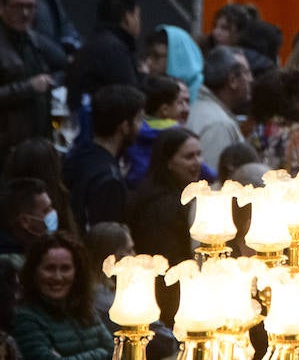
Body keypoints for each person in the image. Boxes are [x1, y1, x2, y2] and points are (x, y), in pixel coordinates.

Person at [127, 127, 201, 325]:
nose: (197, 162)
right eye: (189, 157)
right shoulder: (159, 205)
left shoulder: (175, 195)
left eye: (198, 155)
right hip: (166, 298)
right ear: (168, 162)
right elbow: (168, 260)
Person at [12, 231, 113, 360]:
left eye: (65, 268)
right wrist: (100, 353)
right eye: (50, 268)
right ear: (34, 272)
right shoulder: (26, 317)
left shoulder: (84, 309)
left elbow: (114, 352)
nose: (58, 277)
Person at [62, 85, 144, 230]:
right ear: (124, 127)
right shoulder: (109, 180)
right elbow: (105, 241)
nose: (141, 127)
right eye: (138, 120)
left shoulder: (76, 156)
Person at [0, 0, 60, 163]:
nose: (25, 13)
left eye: (30, 7)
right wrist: (28, 87)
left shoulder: (34, 41)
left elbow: (63, 62)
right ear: (2, 7)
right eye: (18, 6)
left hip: (37, 145)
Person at [66, 0, 141, 113]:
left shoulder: (93, 43)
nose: (139, 23)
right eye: (137, 16)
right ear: (127, 18)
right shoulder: (114, 49)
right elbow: (131, 97)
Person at [186, 45, 251, 170]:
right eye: (246, 73)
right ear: (232, 80)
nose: (251, 79)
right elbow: (212, 182)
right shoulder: (218, 124)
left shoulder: (195, 105)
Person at [0, 179, 55, 272]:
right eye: (46, 211)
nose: (53, 214)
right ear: (25, 221)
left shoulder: (31, 251)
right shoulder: (9, 268)